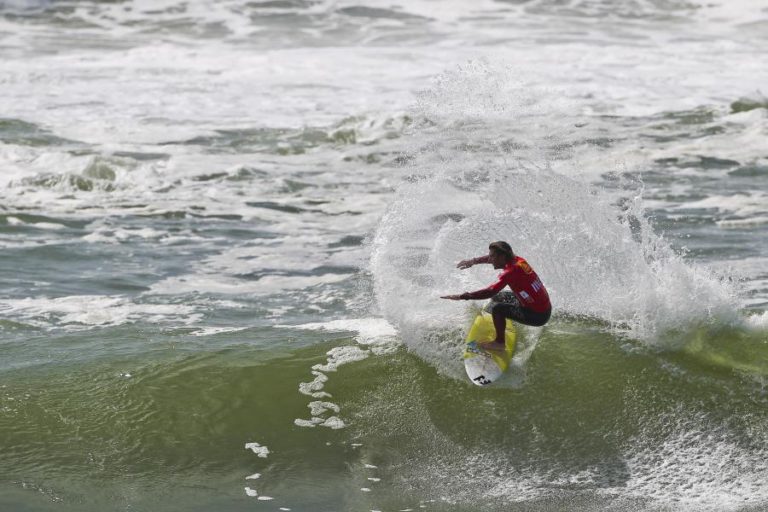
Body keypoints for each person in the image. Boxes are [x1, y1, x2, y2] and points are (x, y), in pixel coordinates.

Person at [441, 241, 551, 353]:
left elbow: (490, 291)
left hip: (537, 315)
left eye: (492, 256)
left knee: (498, 309)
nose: (490, 259)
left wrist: (463, 296)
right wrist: (473, 261)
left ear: (502, 257)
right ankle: (504, 321)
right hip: (540, 305)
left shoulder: (510, 272)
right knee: (499, 297)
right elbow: (494, 291)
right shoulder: (518, 261)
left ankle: (499, 343)